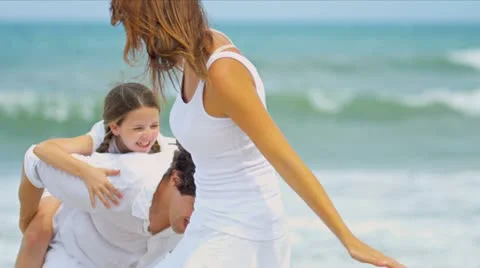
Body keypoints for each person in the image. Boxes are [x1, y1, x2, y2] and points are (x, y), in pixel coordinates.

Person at [109, 1, 406, 268]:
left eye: (139, 27)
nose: (137, 40)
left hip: (242, 231)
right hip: (208, 222)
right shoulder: (192, 56)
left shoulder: (223, 73)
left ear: (162, 16)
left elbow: (286, 162)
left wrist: (348, 241)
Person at [15, 82, 176, 268]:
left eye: (154, 125)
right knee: (35, 233)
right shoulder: (101, 135)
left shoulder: (160, 151)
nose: (148, 135)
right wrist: (87, 173)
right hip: (75, 186)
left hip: (112, 223)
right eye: (139, 128)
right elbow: (42, 150)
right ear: (115, 128)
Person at [20, 141, 196, 267]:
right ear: (176, 180)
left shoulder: (208, 207)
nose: (199, 216)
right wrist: (28, 222)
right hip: (75, 255)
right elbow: (35, 159)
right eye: (194, 207)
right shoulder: (117, 184)